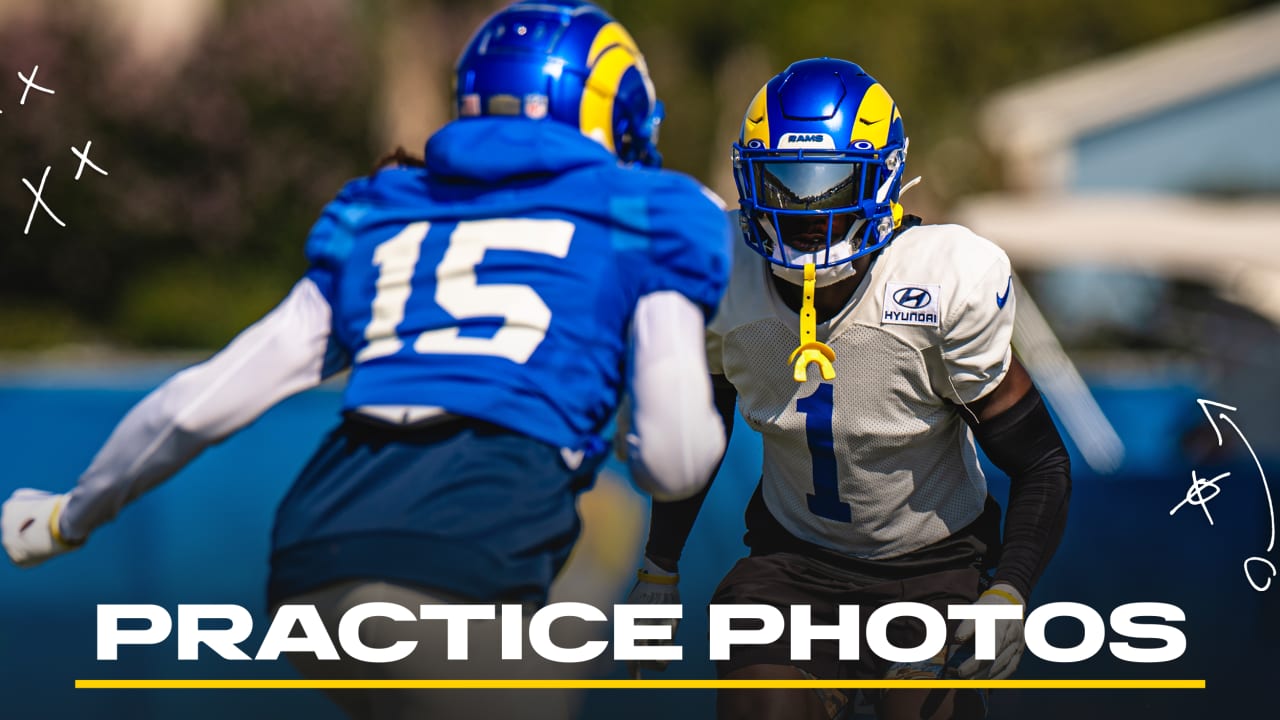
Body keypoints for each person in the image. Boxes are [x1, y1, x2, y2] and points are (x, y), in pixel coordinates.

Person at [2, 2, 732, 718]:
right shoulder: (648, 214)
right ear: (614, 115)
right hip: (465, 548)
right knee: (597, 540)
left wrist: (71, 515)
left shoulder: (386, 215)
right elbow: (673, 461)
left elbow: (195, 403)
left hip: (314, 558)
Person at [628, 58, 1071, 720]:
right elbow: (706, 422)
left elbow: (1041, 461)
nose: (804, 211)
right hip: (792, 564)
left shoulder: (942, 280)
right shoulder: (724, 273)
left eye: (832, 183)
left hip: (934, 568)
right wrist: (659, 566)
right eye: (782, 182)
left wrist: (1009, 589)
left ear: (884, 178)